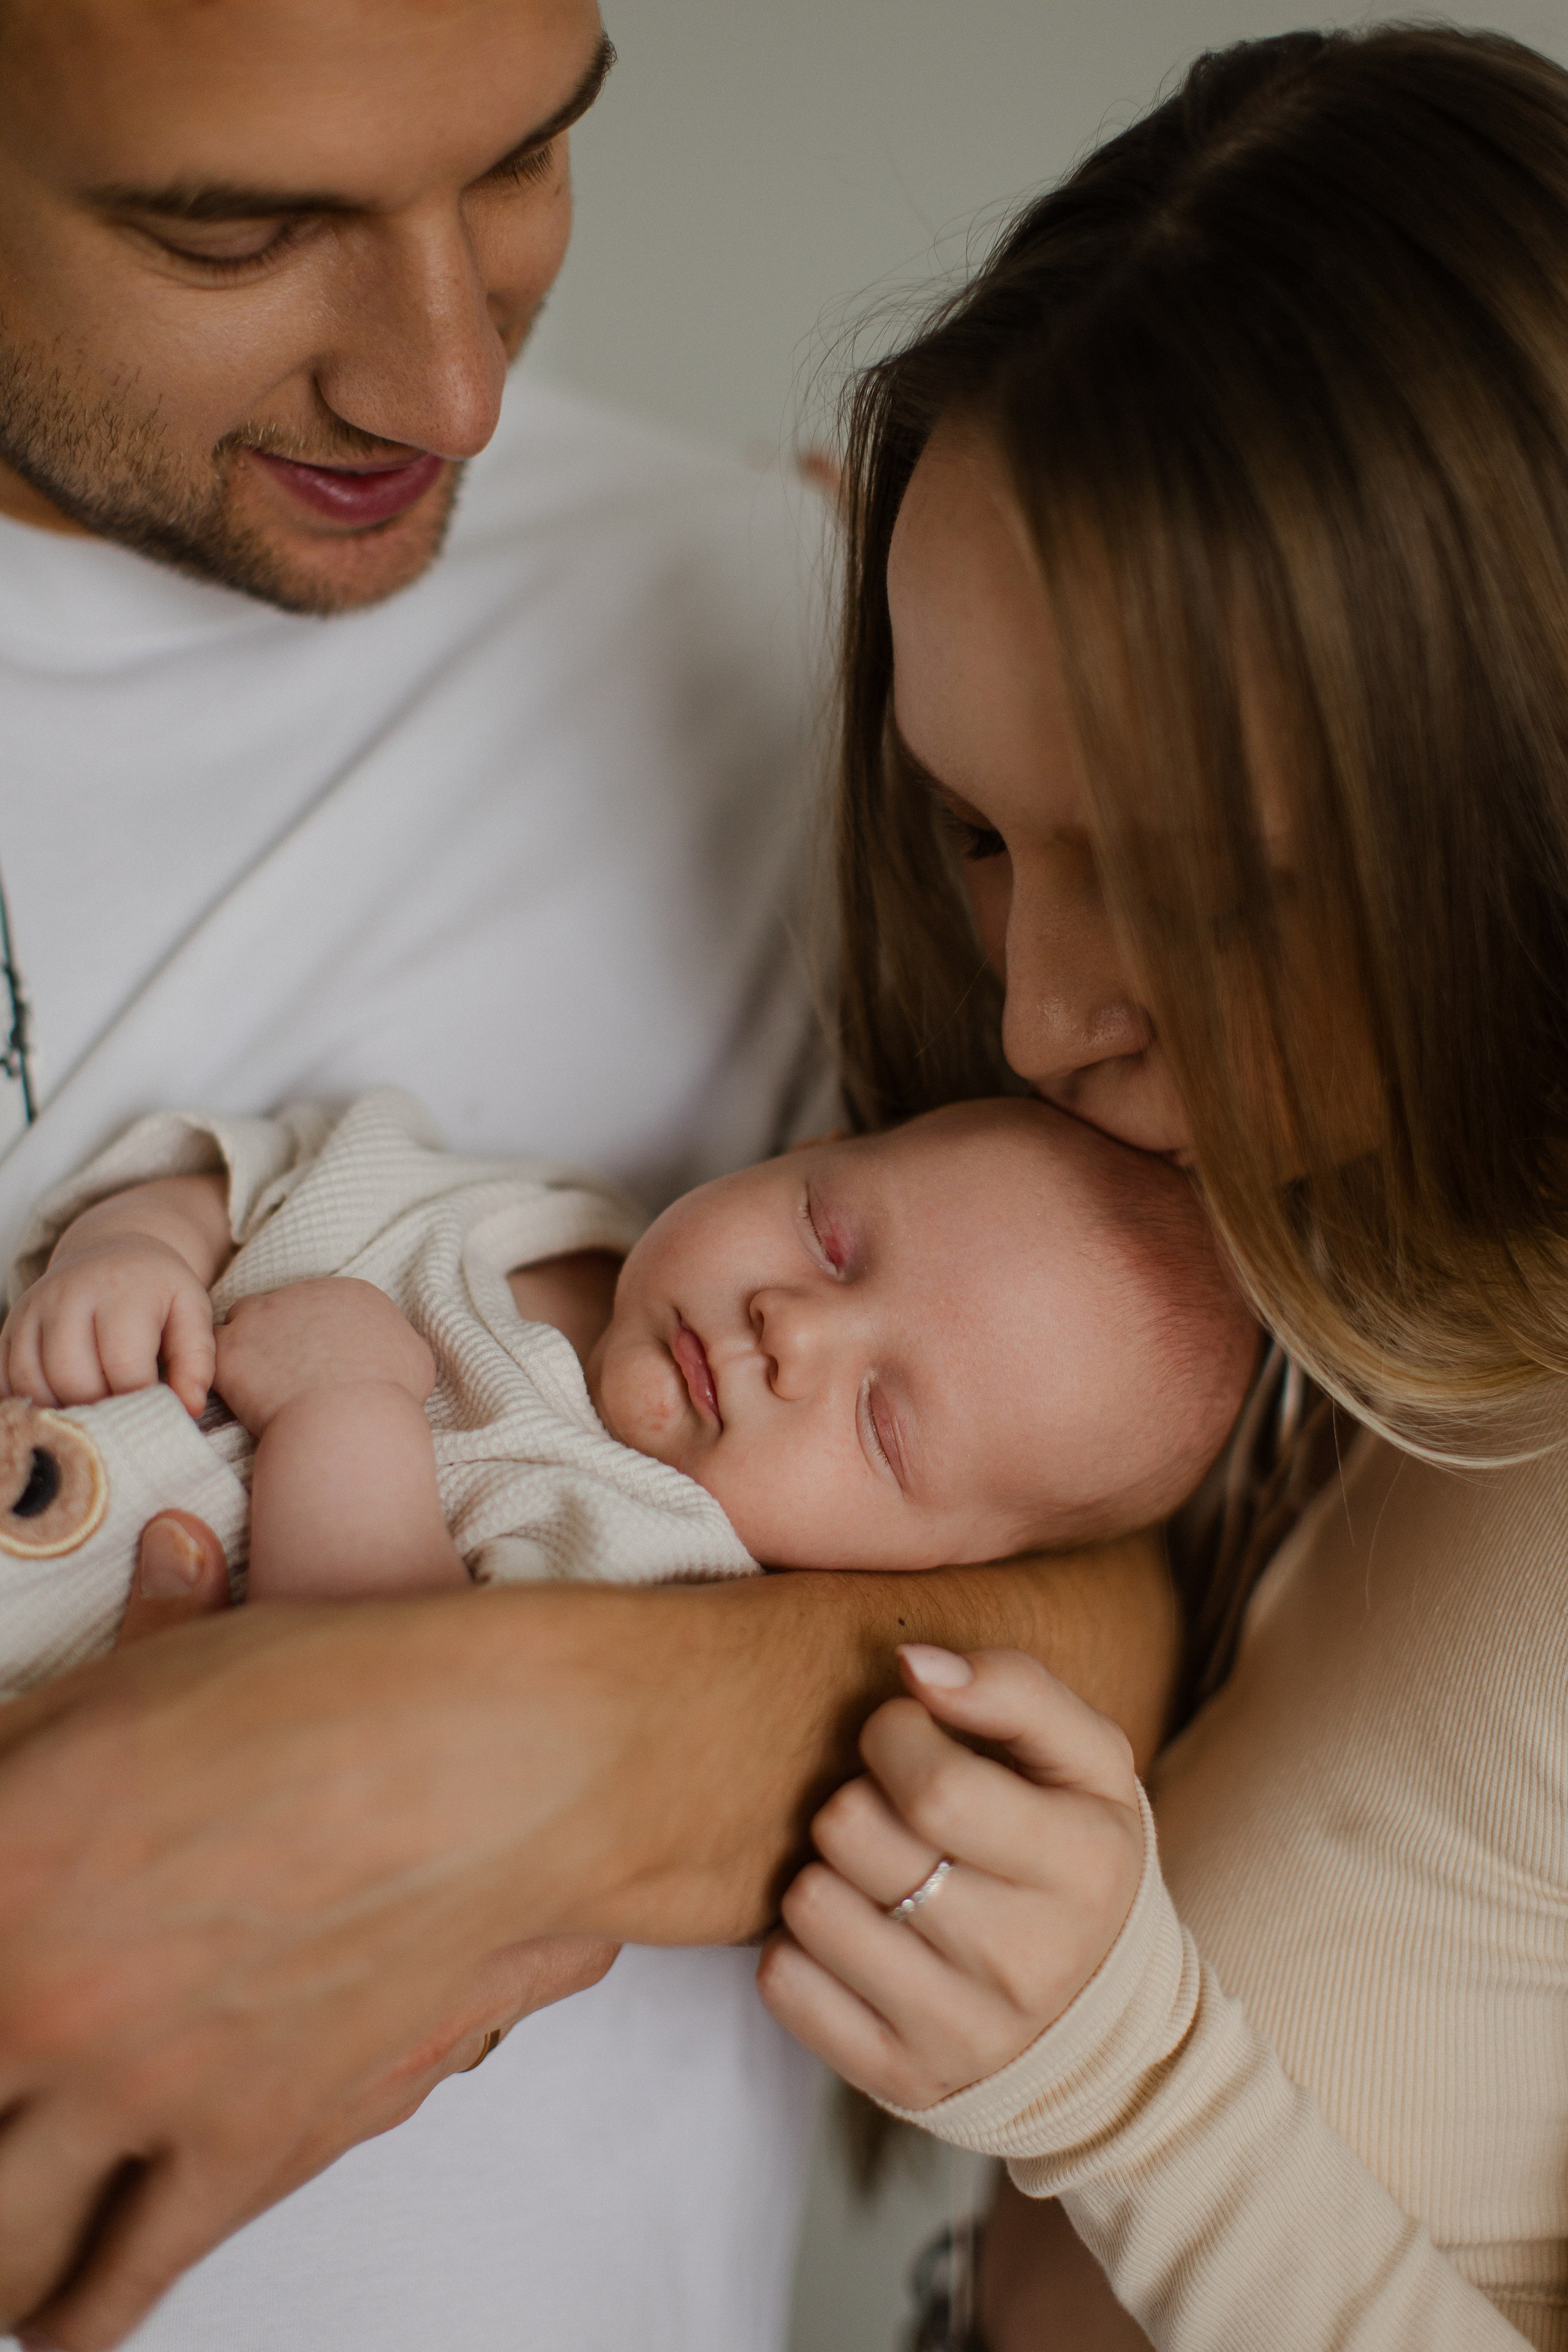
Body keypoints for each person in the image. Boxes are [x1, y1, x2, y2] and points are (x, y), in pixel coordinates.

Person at [0, 4, 1176, 2348]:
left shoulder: (815, 640)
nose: (453, 392)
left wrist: (478, 1762)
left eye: (532, 157)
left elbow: (1118, 1599)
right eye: (236, 228)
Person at [758, 22, 1568, 2348]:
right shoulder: (1321, 1239)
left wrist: (1129, 2088)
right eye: (985, 831)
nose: (1033, 1019)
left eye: (1202, 883)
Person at [0, 1088, 1256, 1646]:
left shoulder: (641, 1561)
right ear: (806, 1146)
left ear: (935, 1566)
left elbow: (366, 1682)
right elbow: (250, 1178)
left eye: (882, 1423)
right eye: (829, 1241)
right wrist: (132, 1251)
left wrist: (346, 1413)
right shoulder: (500, 1209)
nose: (792, 1333)